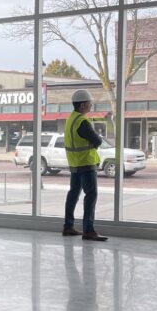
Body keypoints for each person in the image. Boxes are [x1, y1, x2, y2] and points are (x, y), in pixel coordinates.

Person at [62, 89, 107, 241]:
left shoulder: (70, 119)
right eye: (89, 103)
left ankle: (68, 227)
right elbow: (98, 141)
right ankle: (88, 230)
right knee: (91, 195)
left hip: (74, 163)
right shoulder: (82, 121)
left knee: (73, 194)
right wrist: (97, 137)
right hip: (86, 163)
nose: (91, 105)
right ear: (82, 105)